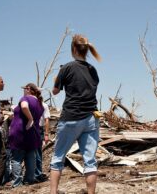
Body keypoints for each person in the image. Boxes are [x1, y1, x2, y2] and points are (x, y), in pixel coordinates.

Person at [50, 34, 101, 194]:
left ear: (73, 49)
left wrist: (57, 79)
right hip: (91, 119)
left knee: (58, 158)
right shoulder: (93, 69)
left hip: (71, 117)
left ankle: (53, 192)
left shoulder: (66, 67)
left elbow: (55, 91)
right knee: (90, 161)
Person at [8, 83, 44, 187]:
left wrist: (30, 118)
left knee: (17, 159)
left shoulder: (25, 98)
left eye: (25, 88)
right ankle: (29, 179)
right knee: (30, 156)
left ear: (28, 89)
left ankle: (17, 183)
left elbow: (24, 107)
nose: (23, 90)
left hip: (20, 131)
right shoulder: (40, 103)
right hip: (33, 133)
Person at [35, 101, 50, 182]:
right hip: (30, 128)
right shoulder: (26, 102)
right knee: (32, 153)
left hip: (38, 129)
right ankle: (34, 174)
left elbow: (47, 119)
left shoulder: (43, 105)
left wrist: (46, 134)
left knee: (37, 153)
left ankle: (37, 174)